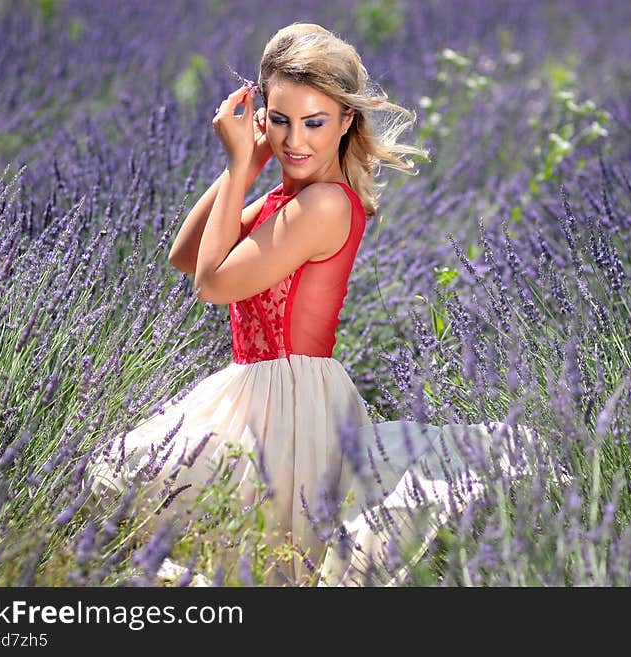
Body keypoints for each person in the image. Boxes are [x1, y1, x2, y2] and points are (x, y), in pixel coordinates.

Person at [84, 22, 542, 587]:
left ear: (346, 121)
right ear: (261, 118)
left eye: (314, 122)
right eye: (279, 121)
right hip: (253, 391)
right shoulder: (286, 198)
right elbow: (185, 255)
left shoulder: (325, 203)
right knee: (136, 494)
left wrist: (236, 171)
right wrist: (246, 168)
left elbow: (212, 284)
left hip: (291, 406)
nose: (294, 140)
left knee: (171, 508)